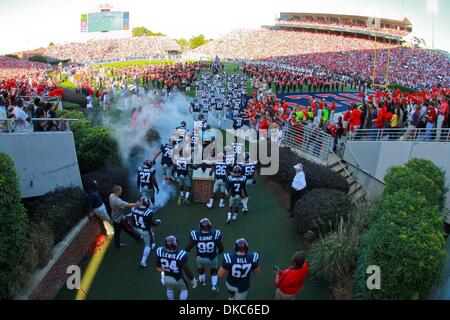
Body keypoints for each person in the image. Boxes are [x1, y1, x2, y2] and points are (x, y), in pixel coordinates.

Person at [185, 218, 224, 292]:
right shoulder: (215, 234)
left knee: (200, 266)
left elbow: (188, 247)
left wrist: (190, 250)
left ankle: (203, 281)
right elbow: (221, 248)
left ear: (200, 227)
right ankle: (214, 285)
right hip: (212, 257)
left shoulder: (195, 234)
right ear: (210, 226)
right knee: (214, 269)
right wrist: (219, 252)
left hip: (200, 258)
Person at [156, 236, 197, 300]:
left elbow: (157, 266)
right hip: (178, 278)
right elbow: (186, 271)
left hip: (167, 277)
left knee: (169, 290)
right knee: (184, 290)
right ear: (175, 245)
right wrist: (192, 279)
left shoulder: (160, 251)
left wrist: (162, 272)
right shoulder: (181, 254)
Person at [130, 197, 161, 268]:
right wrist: (158, 222)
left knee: (151, 234)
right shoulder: (149, 212)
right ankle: (143, 261)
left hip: (136, 228)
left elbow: (132, 220)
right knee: (147, 246)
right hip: (145, 231)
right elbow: (154, 224)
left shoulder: (133, 208)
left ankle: (152, 244)